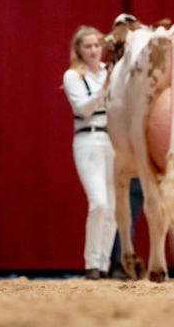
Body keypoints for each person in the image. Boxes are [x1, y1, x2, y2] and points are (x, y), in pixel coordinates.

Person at [62, 25, 117, 280]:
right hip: (88, 139)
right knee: (99, 202)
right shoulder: (73, 76)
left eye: (97, 45)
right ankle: (91, 263)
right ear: (79, 50)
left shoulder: (109, 71)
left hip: (113, 139)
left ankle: (103, 265)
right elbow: (83, 109)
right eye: (88, 46)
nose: (94, 50)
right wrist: (105, 88)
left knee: (114, 207)